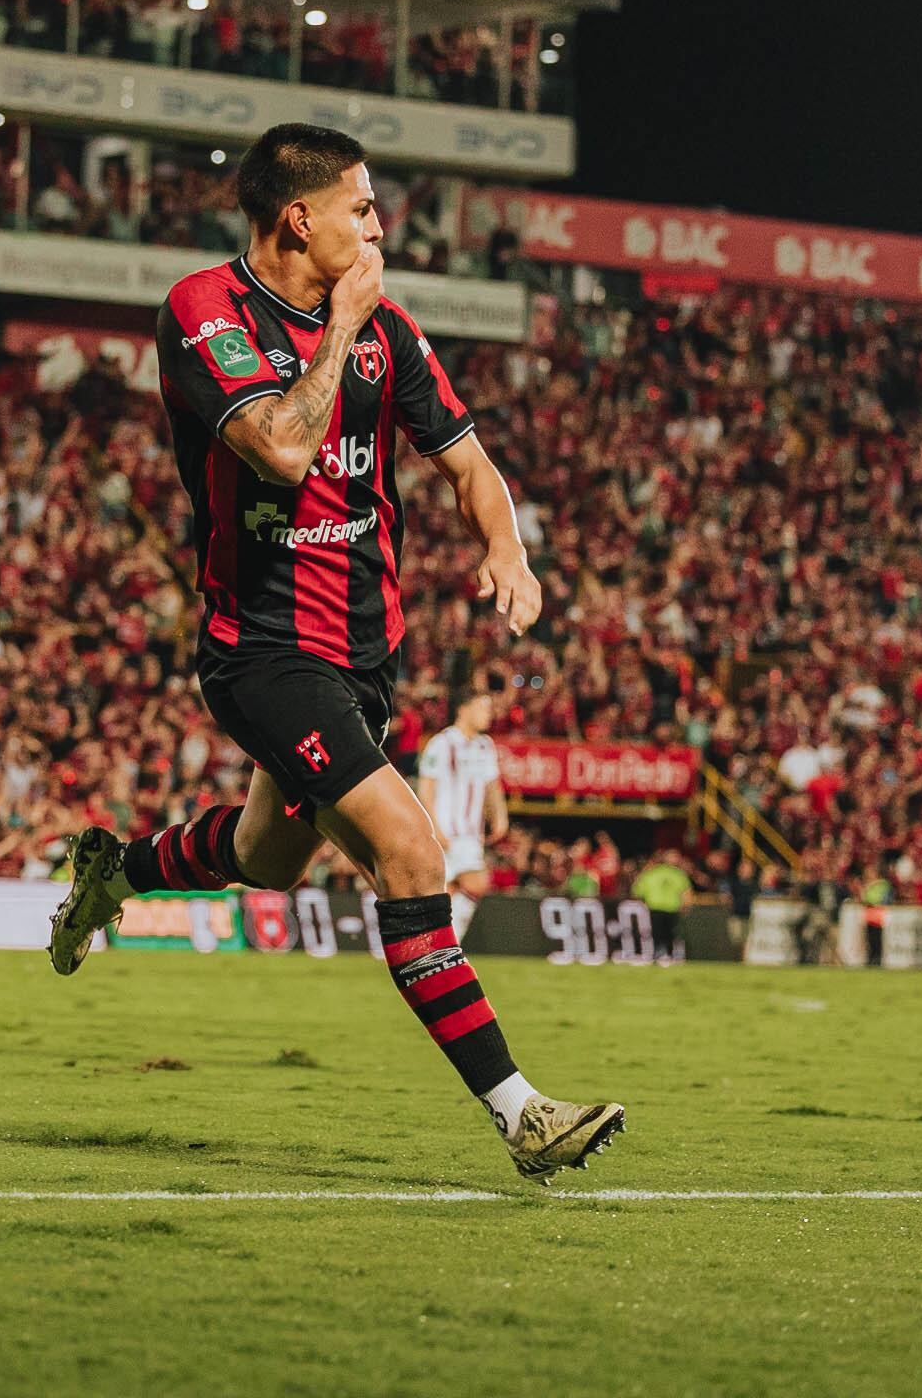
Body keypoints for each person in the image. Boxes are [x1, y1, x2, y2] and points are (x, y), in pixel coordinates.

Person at [45, 123, 623, 1184]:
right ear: (298, 218)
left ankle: (113, 867)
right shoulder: (202, 311)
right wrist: (337, 324)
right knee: (410, 852)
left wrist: (507, 544)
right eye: (361, 207)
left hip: (364, 652)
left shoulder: (386, 331)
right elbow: (277, 444)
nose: (377, 225)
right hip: (261, 646)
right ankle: (522, 1113)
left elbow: (468, 461)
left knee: (267, 857)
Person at [416, 688, 508, 937]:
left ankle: (441, 943)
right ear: (463, 710)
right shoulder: (441, 743)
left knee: (453, 889)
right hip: (447, 830)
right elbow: (426, 789)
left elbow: (492, 786)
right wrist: (434, 826)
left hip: (471, 834)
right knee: (472, 884)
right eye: (482, 708)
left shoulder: (485, 746)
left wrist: (500, 817)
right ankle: (444, 942)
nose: (488, 714)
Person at [633, 850, 693, 965]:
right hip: (672, 908)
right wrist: (686, 906)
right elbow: (686, 892)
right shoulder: (678, 874)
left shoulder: (651, 872)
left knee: (656, 933)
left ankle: (657, 954)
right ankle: (670, 955)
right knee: (670, 934)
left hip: (655, 907)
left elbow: (637, 890)